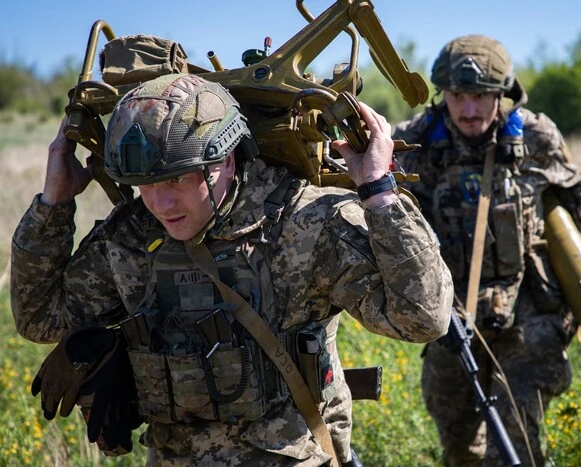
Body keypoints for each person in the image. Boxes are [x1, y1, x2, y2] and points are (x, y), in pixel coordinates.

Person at [11, 73, 453, 466]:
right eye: (143, 185)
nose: (160, 203)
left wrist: (378, 192)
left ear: (226, 159)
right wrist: (54, 203)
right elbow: (39, 318)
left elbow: (423, 317)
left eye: (177, 179)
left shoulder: (306, 224)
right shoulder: (129, 239)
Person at [393, 35, 581, 466]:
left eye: (481, 97)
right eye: (458, 97)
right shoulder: (414, 142)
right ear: (442, 95)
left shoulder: (536, 136)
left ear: (502, 94)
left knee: (515, 448)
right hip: (449, 314)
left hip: (526, 310)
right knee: (456, 442)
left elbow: (576, 190)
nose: (469, 111)